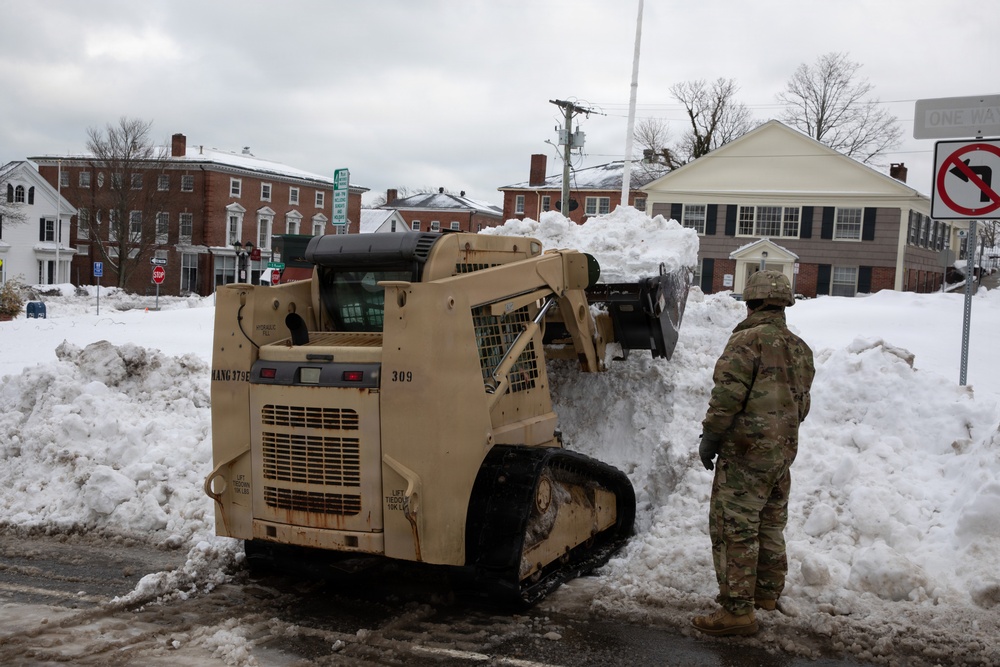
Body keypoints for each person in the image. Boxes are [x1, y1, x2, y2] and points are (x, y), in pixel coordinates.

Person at [692, 270, 815, 637]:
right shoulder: (800, 347)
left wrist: (711, 438)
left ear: (750, 302)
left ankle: (737, 611)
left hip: (746, 453)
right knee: (770, 524)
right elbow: (802, 404)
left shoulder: (746, 342)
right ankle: (764, 595)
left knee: (735, 529)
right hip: (781, 455)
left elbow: (727, 398)